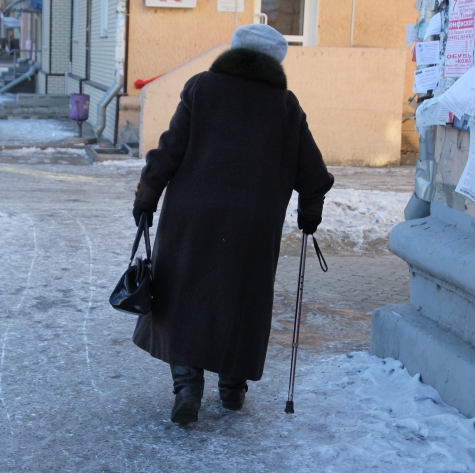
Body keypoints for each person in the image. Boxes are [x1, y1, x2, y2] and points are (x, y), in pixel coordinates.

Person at [130, 24, 334, 424]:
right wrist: (310, 212)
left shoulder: (202, 88)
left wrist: (146, 196)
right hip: (253, 225)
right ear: (275, 61)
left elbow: (170, 149)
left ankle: (187, 387)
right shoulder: (286, 105)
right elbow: (313, 172)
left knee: (185, 294)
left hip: (192, 216)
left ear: (234, 52)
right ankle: (232, 388)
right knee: (242, 298)